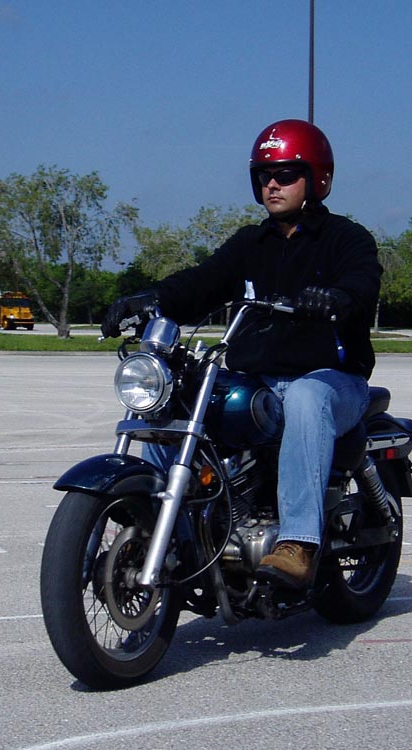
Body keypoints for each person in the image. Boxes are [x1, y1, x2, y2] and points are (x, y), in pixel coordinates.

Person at [101, 118, 382, 589]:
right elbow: (200, 282)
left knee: (306, 398)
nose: (272, 184)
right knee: (177, 396)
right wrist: (149, 299)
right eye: (264, 176)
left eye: (286, 174)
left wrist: (338, 297)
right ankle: (161, 522)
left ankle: (298, 542)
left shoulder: (345, 238)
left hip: (331, 381)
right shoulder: (251, 244)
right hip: (256, 381)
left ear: (317, 178)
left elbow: (362, 280)